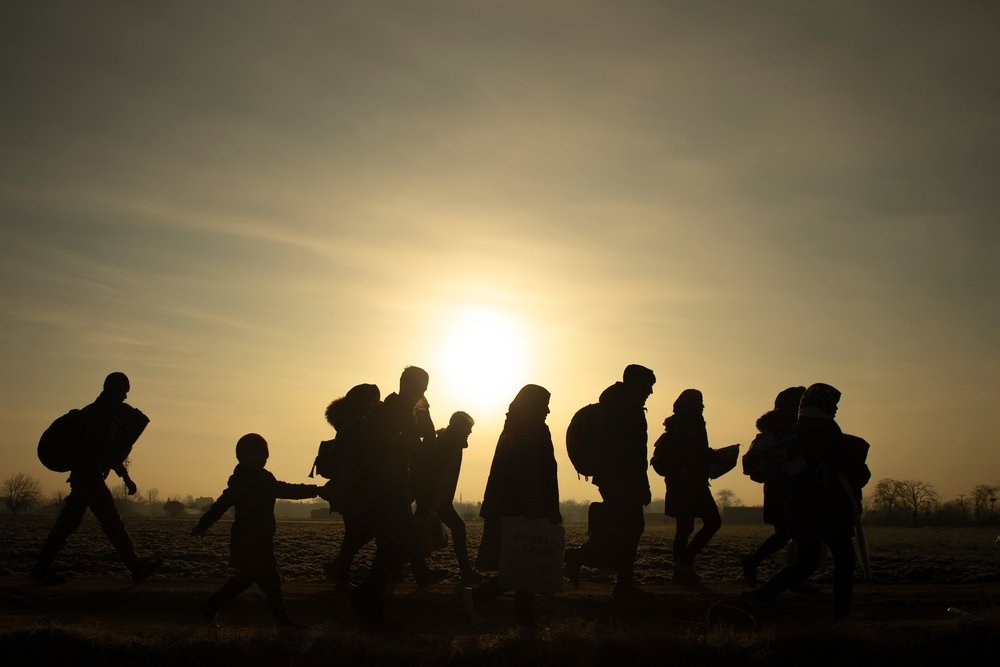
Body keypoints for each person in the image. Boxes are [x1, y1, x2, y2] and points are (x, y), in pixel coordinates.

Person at [31, 372, 161, 584]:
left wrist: (125, 478)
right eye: (123, 392)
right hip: (88, 477)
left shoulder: (96, 413)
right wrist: (114, 475)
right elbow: (101, 452)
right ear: (113, 390)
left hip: (85, 477)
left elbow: (106, 454)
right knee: (111, 521)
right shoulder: (99, 416)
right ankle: (136, 567)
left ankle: (41, 568)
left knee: (67, 524)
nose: (125, 397)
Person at [752, 383, 867, 618]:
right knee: (845, 559)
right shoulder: (825, 427)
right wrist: (862, 473)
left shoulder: (796, 428)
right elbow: (843, 463)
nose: (835, 409)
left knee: (806, 561)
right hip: (827, 505)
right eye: (832, 404)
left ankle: (763, 595)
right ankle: (841, 613)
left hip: (799, 504)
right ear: (822, 404)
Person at [348, 366, 444, 630]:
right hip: (384, 491)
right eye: (422, 387)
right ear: (408, 385)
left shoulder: (406, 412)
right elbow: (377, 447)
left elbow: (422, 445)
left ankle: (368, 602)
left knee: (394, 548)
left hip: (394, 489)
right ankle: (367, 603)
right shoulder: (391, 412)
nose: (424, 392)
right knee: (395, 548)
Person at [192, 433, 322, 627]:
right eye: (258, 454)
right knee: (269, 580)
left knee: (250, 578)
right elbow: (285, 490)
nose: (263, 458)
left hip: (251, 537)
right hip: (254, 538)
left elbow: (222, 504)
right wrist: (317, 490)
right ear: (245, 456)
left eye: (265, 454)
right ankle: (283, 622)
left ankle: (211, 605)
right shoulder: (256, 480)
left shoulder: (243, 479)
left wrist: (204, 524)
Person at [462, 384, 561, 627]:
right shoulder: (528, 428)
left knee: (522, 564)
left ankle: (521, 616)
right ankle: (477, 600)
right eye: (544, 404)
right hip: (519, 508)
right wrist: (535, 508)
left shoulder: (518, 426)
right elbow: (527, 471)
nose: (548, 410)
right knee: (521, 563)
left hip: (512, 506)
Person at [564, 364, 656, 599]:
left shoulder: (614, 406)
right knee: (631, 528)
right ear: (637, 385)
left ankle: (619, 580)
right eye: (648, 386)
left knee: (626, 529)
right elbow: (634, 454)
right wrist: (641, 486)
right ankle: (588, 563)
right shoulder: (628, 410)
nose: (651, 392)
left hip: (610, 478)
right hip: (623, 479)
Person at [653, 388, 721, 584]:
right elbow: (689, 455)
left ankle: (680, 571)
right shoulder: (688, 427)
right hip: (689, 485)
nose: (702, 407)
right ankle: (684, 563)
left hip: (683, 484)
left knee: (684, 528)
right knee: (712, 522)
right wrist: (709, 456)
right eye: (699, 403)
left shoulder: (682, 426)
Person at [739, 386, 806, 587]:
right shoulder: (776, 435)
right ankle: (789, 578)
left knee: (789, 534)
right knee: (793, 534)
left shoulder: (776, 434)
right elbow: (752, 464)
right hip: (783, 491)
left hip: (781, 490)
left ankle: (758, 564)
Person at [319, 383, 381, 591]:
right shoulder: (356, 424)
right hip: (353, 489)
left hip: (348, 488)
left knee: (354, 533)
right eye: (374, 400)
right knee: (367, 530)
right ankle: (338, 568)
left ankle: (341, 574)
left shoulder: (349, 423)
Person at [413, 410, 479, 583]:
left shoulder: (448, 441)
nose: (470, 432)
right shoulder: (449, 444)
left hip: (436, 497)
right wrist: (435, 500)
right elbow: (440, 474)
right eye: (468, 428)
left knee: (416, 533)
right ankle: (466, 572)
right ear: (460, 427)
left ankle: (410, 571)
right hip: (437, 498)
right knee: (457, 528)